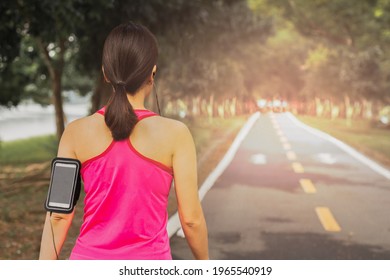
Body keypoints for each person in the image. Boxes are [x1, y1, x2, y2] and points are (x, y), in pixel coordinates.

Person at [39, 22, 209, 260]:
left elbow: (58, 215)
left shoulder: (75, 133)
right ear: (152, 73)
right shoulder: (176, 134)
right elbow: (190, 220)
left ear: (105, 72)